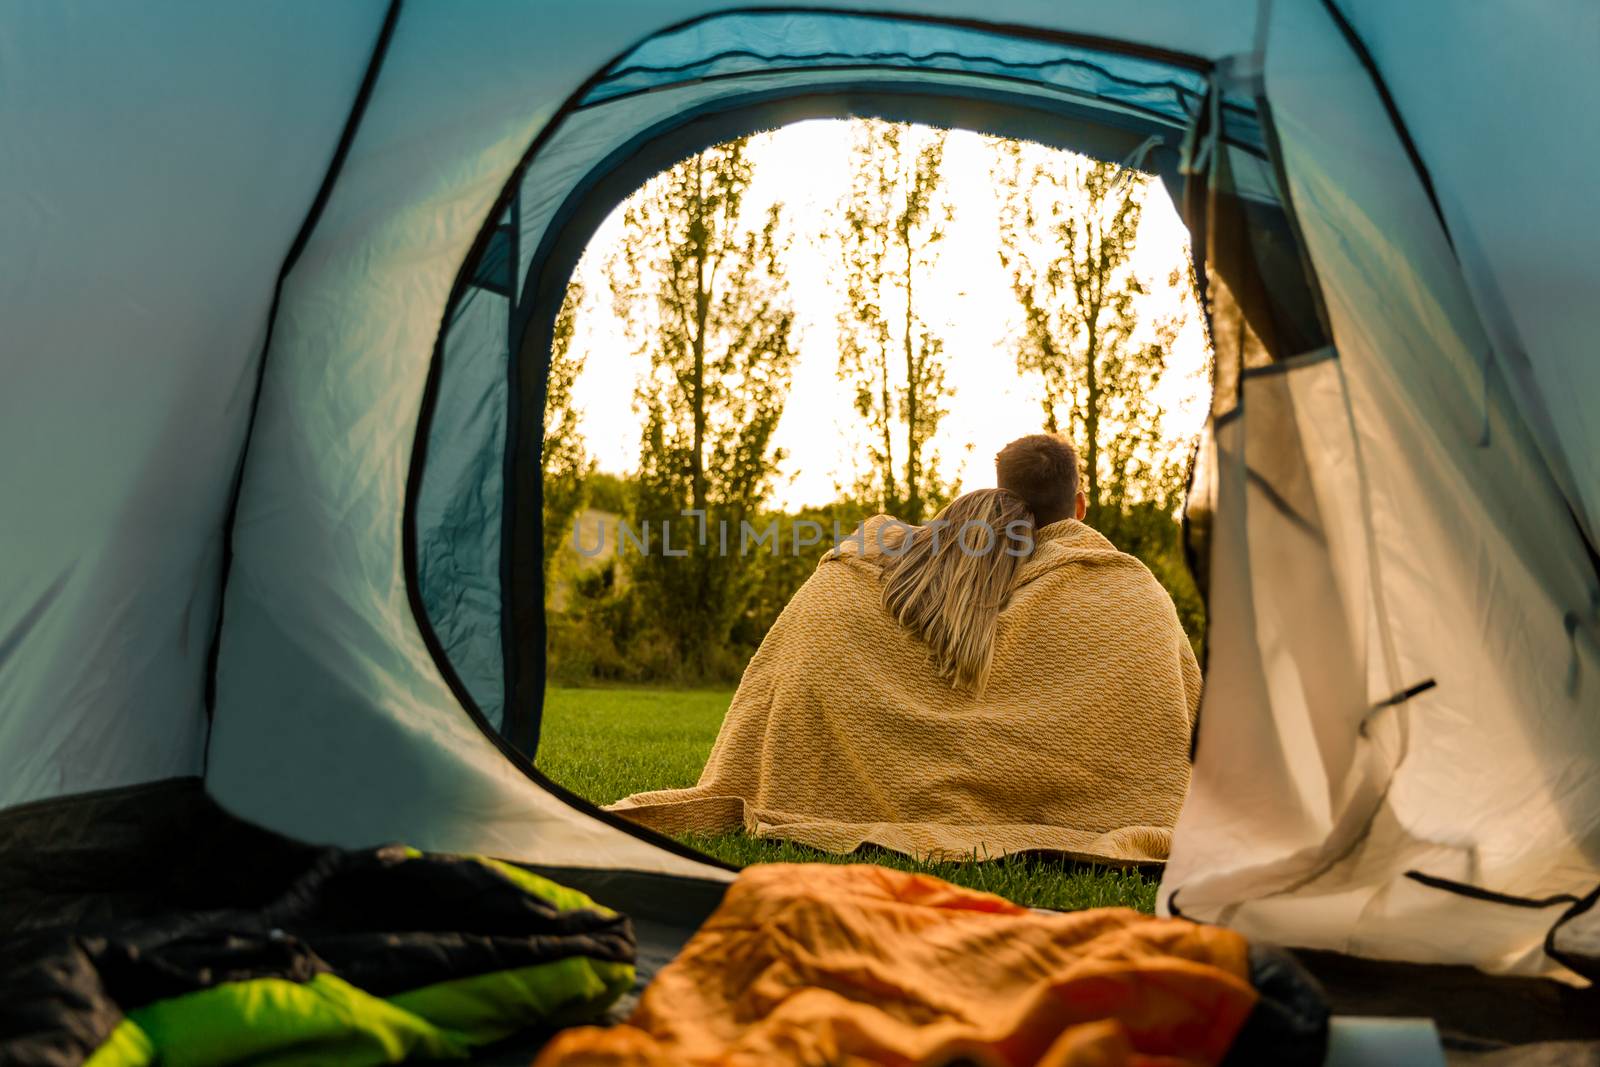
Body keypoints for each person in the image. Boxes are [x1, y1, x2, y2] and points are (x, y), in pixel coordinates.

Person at [608, 434, 1201, 865]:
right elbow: (1183, 726)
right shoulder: (1131, 595)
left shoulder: (868, 567)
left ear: (1002, 492)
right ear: (1077, 506)